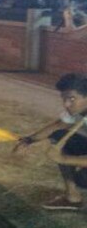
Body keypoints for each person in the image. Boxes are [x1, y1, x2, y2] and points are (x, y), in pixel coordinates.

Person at [14, 74, 87, 211]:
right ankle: (72, 198)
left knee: (83, 179)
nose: (66, 104)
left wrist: (64, 159)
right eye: (64, 99)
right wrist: (28, 140)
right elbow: (58, 126)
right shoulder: (78, 110)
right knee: (59, 136)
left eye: (72, 99)